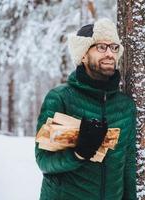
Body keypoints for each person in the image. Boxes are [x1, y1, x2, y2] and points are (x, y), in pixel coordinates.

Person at [35, 18, 137, 200]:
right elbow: (44, 161)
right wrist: (78, 153)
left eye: (114, 47)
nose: (110, 54)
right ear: (83, 54)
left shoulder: (124, 105)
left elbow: (128, 167)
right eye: (101, 47)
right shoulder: (61, 98)